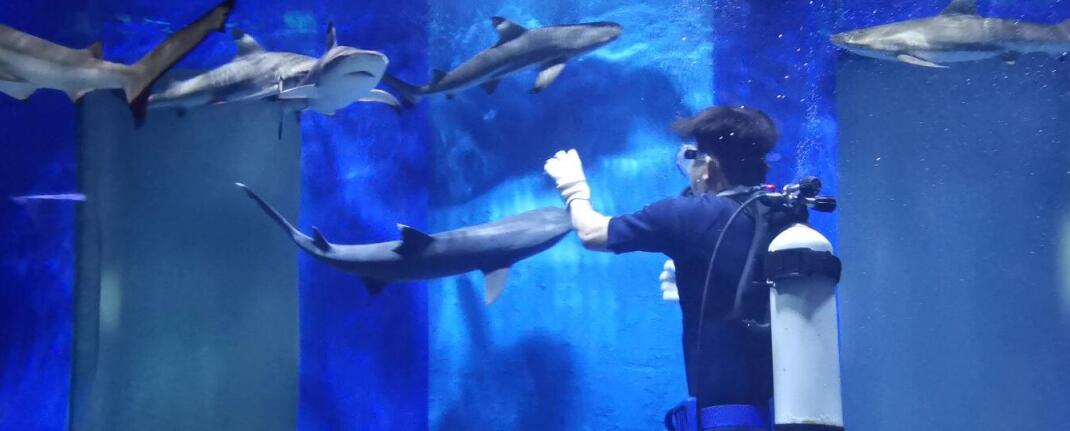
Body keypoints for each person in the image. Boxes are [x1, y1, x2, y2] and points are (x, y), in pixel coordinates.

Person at [544, 106, 781, 430]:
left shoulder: (690, 214)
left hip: (724, 418)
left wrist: (574, 190)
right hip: (779, 413)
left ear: (708, 165)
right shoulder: (778, 215)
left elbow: (591, 232)